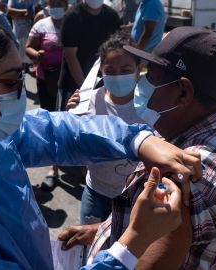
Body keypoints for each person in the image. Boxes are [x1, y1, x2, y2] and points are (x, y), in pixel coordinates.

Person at [0, 12, 202, 269]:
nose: (21, 94)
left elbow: (58, 131)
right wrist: (132, 243)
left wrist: (139, 140)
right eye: (13, 81)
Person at [59, 26, 216, 270]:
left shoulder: (182, 177)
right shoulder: (206, 140)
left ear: (183, 92)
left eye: (151, 77)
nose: (142, 85)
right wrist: (102, 231)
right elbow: (148, 230)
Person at [65, 31, 147, 224]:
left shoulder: (150, 104)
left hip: (136, 196)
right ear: (101, 70)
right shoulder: (88, 101)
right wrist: (70, 115)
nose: (118, 76)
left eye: (126, 69)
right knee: (90, 246)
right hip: (96, 192)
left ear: (139, 69)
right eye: (110, 71)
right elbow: (73, 142)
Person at [25, 0, 67, 190]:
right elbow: (28, 48)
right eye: (54, 2)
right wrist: (37, 55)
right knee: (50, 120)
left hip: (70, 81)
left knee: (72, 118)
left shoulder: (74, 22)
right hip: (46, 80)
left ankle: (82, 163)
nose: (57, 5)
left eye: (61, 2)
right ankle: (53, 167)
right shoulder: (41, 25)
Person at [57, 0, 121, 111]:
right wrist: (86, 89)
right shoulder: (72, 17)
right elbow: (71, 57)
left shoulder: (112, 16)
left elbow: (116, 50)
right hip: (74, 86)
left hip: (104, 85)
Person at [7, 0, 36, 70]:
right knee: (18, 50)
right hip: (17, 31)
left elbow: (31, 14)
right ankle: (21, 67)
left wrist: (16, 14)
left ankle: (29, 65)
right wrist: (24, 11)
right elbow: (9, 10)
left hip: (29, 30)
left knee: (28, 48)